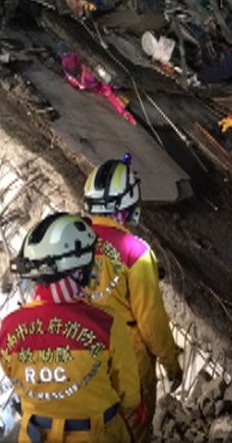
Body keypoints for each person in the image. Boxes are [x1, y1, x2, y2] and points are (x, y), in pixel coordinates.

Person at [0, 213, 141, 443]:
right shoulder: (106, 324)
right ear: (77, 269)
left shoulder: (7, 330)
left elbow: (18, 380)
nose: (93, 268)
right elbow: (130, 397)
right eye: (89, 262)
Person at [83, 155, 182, 442]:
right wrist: (171, 362)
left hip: (83, 352)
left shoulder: (73, 243)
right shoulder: (135, 252)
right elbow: (151, 320)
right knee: (133, 429)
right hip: (127, 355)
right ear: (126, 204)